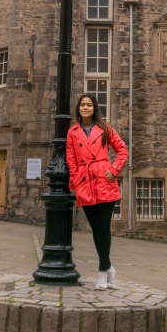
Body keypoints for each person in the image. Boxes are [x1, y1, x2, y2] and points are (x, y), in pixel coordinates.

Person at [66, 93, 128, 290]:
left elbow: (122, 150)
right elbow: (71, 160)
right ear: (78, 109)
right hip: (85, 183)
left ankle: (102, 271)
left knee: (103, 227)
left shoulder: (104, 128)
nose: (85, 108)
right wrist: (75, 180)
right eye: (82, 105)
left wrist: (114, 170)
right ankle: (109, 267)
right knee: (96, 228)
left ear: (94, 109)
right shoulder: (72, 132)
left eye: (89, 105)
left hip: (103, 181)